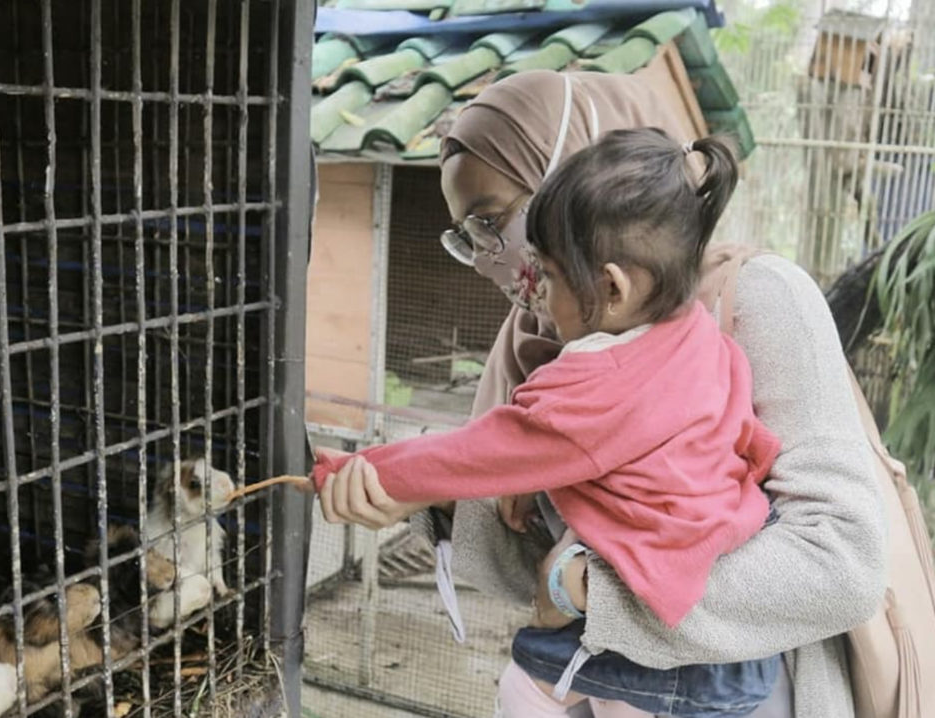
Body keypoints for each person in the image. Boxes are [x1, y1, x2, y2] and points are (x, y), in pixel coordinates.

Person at [315, 70, 885, 718]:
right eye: (464, 237)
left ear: (573, 174)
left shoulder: (756, 299)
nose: (482, 257)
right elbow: (538, 560)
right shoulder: (545, 338)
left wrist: (595, 589)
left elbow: (843, 563)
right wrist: (436, 500)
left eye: (492, 221)